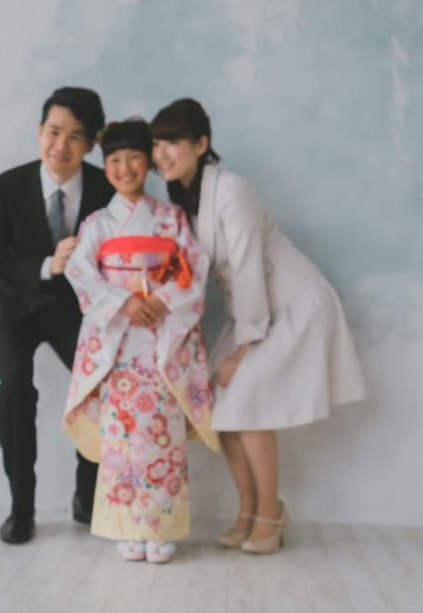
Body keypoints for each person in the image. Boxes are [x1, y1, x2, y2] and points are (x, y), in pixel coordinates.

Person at [150, 98, 367, 554]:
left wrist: (245, 347)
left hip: (292, 304)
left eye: (172, 142)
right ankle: (248, 510)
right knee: (222, 408)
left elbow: (247, 266)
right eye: (156, 144)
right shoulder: (184, 200)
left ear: (202, 144)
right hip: (252, 310)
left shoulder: (232, 189)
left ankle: (270, 512)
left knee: (247, 401)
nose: (161, 153)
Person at [62, 119, 220, 563]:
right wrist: (123, 302)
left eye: (133, 157)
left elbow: (195, 268)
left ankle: (162, 528)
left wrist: (163, 300)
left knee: (162, 437)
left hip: (159, 343)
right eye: (114, 159)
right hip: (118, 346)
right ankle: (127, 528)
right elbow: (79, 271)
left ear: (148, 162)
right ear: (106, 165)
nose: (124, 167)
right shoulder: (98, 223)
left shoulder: (170, 219)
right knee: (121, 440)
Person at [0, 87, 115, 544]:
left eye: (75, 137)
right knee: (14, 392)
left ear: (90, 144)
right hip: (14, 305)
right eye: (53, 132)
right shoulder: (8, 185)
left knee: (103, 389)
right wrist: (45, 265)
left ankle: (86, 497)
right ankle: (21, 509)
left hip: (76, 309)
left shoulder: (106, 188)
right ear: (39, 132)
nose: (60, 146)